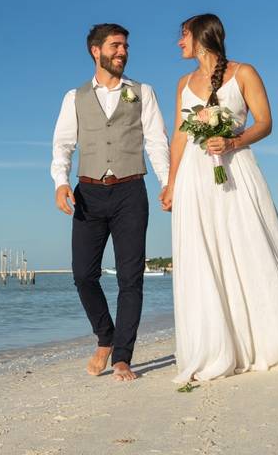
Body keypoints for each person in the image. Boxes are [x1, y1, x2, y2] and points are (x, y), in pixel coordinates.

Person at [161, 13, 278, 383]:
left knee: (250, 247)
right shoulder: (183, 83)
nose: (178, 43)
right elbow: (179, 137)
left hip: (236, 169)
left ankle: (265, 342)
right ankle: (217, 346)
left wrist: (233, 140)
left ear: (201, 37)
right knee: (204, 254)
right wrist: (171, 184)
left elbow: (265, 122)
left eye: (182, 36)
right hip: (194, 178)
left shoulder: (244, 72)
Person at [51, 23, 170, 382]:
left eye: (125, 47)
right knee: (83, 275)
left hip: (131, 191)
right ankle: (105, 336)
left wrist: (168, 183)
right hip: (88, 192)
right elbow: (63, 144)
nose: (123, 52)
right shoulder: (74, 97)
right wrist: (60, 182)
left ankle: (122, 357)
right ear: (95, 51)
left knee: (130, 279)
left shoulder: (143, 92)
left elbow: (156, 142)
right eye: (116, 46)